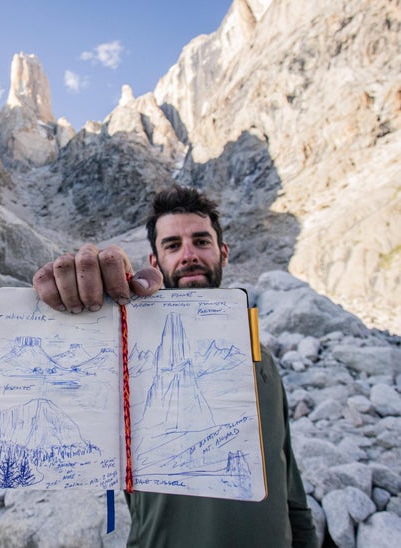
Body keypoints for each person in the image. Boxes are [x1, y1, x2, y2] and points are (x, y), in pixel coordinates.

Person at [32, 185, 318, 547]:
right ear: (154, 263)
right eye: (172, 246)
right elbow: (66, 382)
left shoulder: (260, 357)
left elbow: (286, 474)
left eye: (201, 241)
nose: (188, 255)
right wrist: (77, 303)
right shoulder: (128, 351)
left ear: (223, 253)